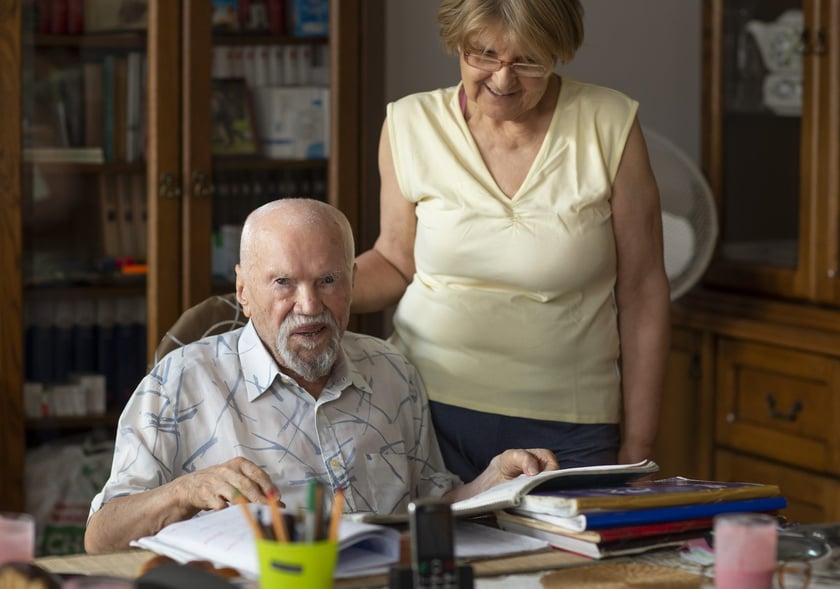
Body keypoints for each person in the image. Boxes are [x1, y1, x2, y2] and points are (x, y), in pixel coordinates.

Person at [84, 198, 558, 554]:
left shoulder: (392, 371)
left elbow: (430, 506)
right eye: (283, 283)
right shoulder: (180, 382)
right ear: (243, 291)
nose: (309, 306)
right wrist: (184, 491)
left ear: (352, 280)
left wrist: (492, 482)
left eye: (327, 280)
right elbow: (101, 538)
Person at [351, 0, 671, 483]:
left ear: (558, 53)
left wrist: (639, 446)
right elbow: (395, 261)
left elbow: (643, 292)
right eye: (483, 54)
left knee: (572, 561)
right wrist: (307, 289)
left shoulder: (609, 124)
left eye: (528, 61)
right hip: (423, 410)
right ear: (456, 42)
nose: (503, 80)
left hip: (571, 426)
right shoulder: (409, 123)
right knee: (432, 556)